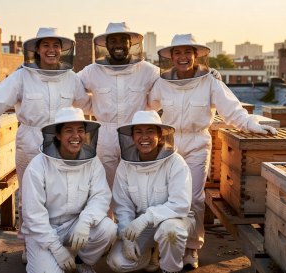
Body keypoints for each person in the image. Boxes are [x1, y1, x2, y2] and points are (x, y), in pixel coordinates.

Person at [0, 28, 92, 264]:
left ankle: (60, 242)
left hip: (64, 144)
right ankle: (28, 244)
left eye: (56, 45)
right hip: (31, 142)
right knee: (29, 197)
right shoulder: (22, 76)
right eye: (46, 45)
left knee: (64, 194)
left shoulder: (71, 79)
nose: (51, 50)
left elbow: (88, 106)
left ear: (63, 49)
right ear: (36, 49)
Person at [148, 34, 278, 268]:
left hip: (197, 144)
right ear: (171, 57)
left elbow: (233, 111)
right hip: (167, 146)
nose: (182, 57)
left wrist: (252, 125)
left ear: (196, 55)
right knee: (163, 197)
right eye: (177, 53)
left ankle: (191, 249)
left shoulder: (210, 81)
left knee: (194, 199)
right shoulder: (162, 82)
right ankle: (164, 246)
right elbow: (146, 107)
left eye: (187, 52)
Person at [77, 23, 221, 218]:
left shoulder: (148, 70)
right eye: (113, 41)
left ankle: (141, 232)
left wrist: (206, 73)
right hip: (106, 136)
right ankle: (110, 234)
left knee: (141, 187)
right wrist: (94, 108)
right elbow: (74, 89)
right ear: (106, 45)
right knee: (106, 190)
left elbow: (174, 79)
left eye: (123, 40)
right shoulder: (91, 71)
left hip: (138, 136)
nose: (118, 44)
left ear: (131, 44)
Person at [21, 107, 117, 273]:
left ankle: (83, 262)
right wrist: (57, 250)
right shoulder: (38, 166)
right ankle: (41, 255)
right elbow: (33, 215)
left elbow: (100, 197)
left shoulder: (92, 162)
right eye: (69, 130)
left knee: (108, 228)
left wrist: (86, 221)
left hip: (74, 224)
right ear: (57, 135)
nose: (76, 136)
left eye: (80, 130)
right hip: (43, 230)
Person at [106, 110, 195, 273]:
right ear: (132, 137)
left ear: (160, 135)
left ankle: (170, 269)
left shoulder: (176, 163)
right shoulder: (125, 165)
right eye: (138, 132)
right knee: (117, 263)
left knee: (170, 232)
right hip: (141, 224)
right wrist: (127, 237)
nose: (144, 137)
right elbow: (122, 205)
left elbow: (180, 205)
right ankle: (150, 252)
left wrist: (147, 218)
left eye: (150, 131)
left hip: (175, 220)